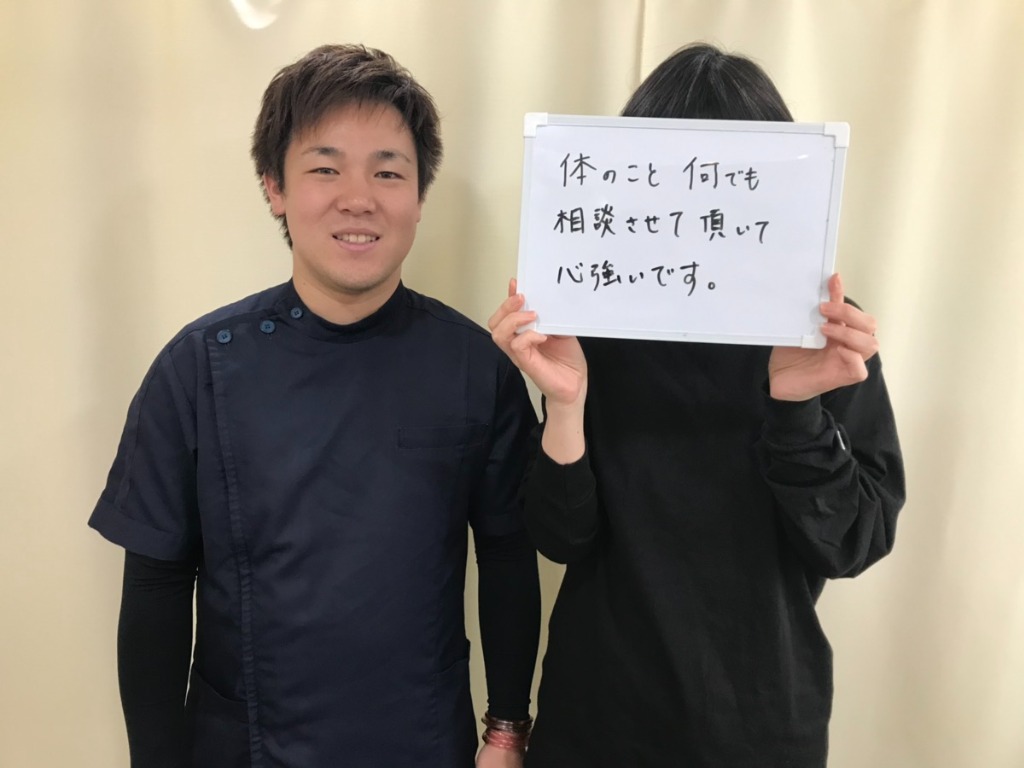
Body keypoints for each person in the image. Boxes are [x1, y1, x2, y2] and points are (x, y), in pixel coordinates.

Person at [90, 44, 540, 768]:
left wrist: (507, 730)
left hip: (423, 744)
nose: (358, 199)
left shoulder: (474, 366)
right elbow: (155, 585)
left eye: (388, 172)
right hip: (241, 748)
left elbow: (508, 556)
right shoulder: (197, 367)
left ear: (419, 195)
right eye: (325, 169)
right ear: (275, 187)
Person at [489, 43, 905, 767]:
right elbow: (560, 537)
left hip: (762, 722)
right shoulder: (591, 321)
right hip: (599, 718)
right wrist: (566, 406)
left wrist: (796, 411)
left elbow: (853, 544)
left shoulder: (825, 336)